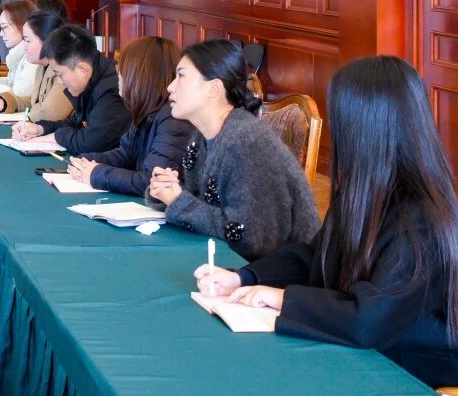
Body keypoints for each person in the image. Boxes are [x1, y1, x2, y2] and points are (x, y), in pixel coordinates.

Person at [193, 57, 458, 386]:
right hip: (356, 354)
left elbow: (369, 320)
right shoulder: (365, 192)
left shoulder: (424, 219)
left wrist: (279, 298)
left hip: (406, 373)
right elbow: (313, 257)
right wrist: (244, 278)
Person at [146, 39, 318, 260]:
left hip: (272, 278)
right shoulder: (202, 136)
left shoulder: (245, 142)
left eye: (180, 76)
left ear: (214, 88)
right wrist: (165, 190)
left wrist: (177, 201)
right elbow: (198, 200)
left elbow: (248, 236)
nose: (170, 86)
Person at [65, 36, 195, 196]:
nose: (117, 73)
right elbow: (126, 154)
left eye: (122, 69)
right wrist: (87, 161)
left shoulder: (173, 118)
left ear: (140, 75)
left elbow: (150, 181)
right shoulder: (147, 109)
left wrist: (96, 173)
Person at [14, 24, 130, 153]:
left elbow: (90, 143)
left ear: (82, 70)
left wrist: (55, 137)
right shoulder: (92, 75)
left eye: (60, 74)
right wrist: (41, 128)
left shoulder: (113, 91)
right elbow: (78, 122)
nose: (59, 81)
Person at [0, 10, 72, 124]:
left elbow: (48, 113)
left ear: (47, 42)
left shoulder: (64, 70)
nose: (24, 47)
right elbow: (33, 102)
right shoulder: (42, 66)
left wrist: (29, 112)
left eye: (27, 40)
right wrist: (1, 103)